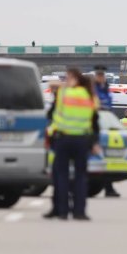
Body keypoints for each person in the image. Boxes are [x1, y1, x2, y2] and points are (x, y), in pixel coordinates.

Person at [47, 68, 98, 220]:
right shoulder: (89, 96)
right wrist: (93, 142)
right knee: (81, 177)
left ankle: (62, 211)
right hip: (82, 140)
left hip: (63, 138)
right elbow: (94, 119)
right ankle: (79, 212)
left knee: (61, 176)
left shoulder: (64, 93)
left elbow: (52, 113)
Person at [92, 65, 119, 197]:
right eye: (99, 75)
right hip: (95, 127)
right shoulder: (93, 90)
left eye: (102, 75)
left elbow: (109, 109)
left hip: (105, 126)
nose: (101, 77)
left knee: (107, 158)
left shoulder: (106, 89)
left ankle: (109, 187)